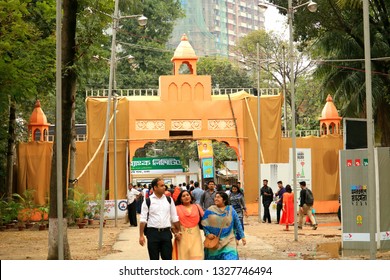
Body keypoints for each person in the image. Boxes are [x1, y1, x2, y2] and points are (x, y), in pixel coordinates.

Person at [139, 177, 181, 260]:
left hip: (166, 233)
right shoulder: (148, 201)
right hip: (152, 233)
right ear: (155, 187)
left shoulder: (169, 200)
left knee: (168, 258)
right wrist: (141, 236)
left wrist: (178, 231)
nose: (164, 187)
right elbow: (143, 219)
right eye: (161, 185)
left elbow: (174, 217)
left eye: (164, 185)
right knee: (154, 259)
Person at [201, 191, 246, 260]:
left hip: (229, 240)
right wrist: (207, 234)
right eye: (215, 197)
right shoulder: (210, 210)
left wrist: (242, 236)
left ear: (224, 200)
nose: (216, 199)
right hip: (214, 242)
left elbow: (237, 223)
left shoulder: (231, 210)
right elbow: (204, 224)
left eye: (218, 197)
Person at [172, 190, 204, 260]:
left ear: (190, 196)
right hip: (182, 236)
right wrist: (176, 233)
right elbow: (172, 224)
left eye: (187, 195)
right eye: (183, 196)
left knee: (197, 255)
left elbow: (205, 220)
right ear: (180, 199)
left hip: (196, 236)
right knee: (183, 257)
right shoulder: (177, 208)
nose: (186, 197)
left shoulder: (197, 207)